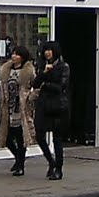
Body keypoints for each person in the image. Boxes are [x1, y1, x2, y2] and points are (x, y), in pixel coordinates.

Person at [0, 46, 36, 174]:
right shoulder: (7, 69)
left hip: (21, 108)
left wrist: (30, 97)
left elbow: (37, 85)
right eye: (13, 54)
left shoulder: (28, 71)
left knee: (20, 136)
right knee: (6, 136)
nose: (14, 56)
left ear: (22, 57)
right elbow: (3, 87)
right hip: (8, 107)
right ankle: (18, 158)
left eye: (17, 54)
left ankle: (20, 166)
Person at [31, 41, 71, 179]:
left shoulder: (63, 66)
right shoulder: (43, 66)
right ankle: (51, 161)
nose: (47, 53)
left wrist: (46, 84)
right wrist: (43, 73)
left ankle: (59, 169)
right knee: (39, 135)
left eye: (50, 50)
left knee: (57, 139)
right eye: (45, 50)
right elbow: (34, 84)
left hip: (57, 106)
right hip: (43, 105)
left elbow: (61, 86)